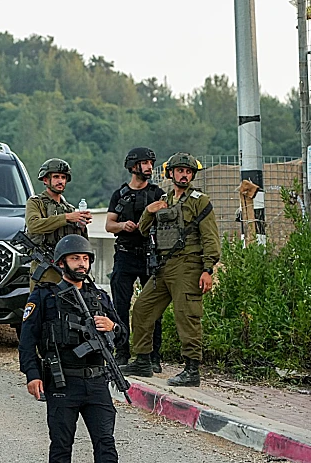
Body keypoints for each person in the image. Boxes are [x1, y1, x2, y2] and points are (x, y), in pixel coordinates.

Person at [19, 234, 140, 463]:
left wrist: (112, 325)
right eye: (75, 259)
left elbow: (123, 333)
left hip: (97, 382)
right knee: (61, 444)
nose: (81, 264)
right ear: (62, 263)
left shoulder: (99, 297)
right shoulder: (45, 297)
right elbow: (27, 339)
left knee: (105, 442)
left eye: (85, 259)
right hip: (63, 383)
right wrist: (32, 374)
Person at [121, 152, 220, 387]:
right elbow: (144, 231)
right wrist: (149, 211)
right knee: (143, 309)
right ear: (171, 173)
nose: (184, 175)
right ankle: (143, 360)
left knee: (186, 316)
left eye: (188, 172)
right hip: (163, 266)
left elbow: (210, 237)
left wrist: (208, 269)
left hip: (189, 266)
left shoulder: (199, 201)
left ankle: (191, 369)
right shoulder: (165, 199)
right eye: (180, 171)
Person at [105, 148, 166, 370]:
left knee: (153, 308)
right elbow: (109, 224)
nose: (149, 167)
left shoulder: (157, 194)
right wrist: (123, 225)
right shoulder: (119, 195)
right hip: (125, 255)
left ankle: (153, 357)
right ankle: (122, 352)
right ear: (133, 166)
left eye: (151, 162)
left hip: (150, 256)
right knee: (120, 307)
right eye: (145, 163)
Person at [25, 158, 92, 288]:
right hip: (45, 268)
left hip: (66, 269)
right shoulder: (36, 202)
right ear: (45, 180)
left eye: (63, 177)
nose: (60, 181)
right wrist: (66, 218)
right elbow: (34, 225)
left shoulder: (69, 208)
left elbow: (79, 242)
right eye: (56, 177)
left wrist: (81, 226)